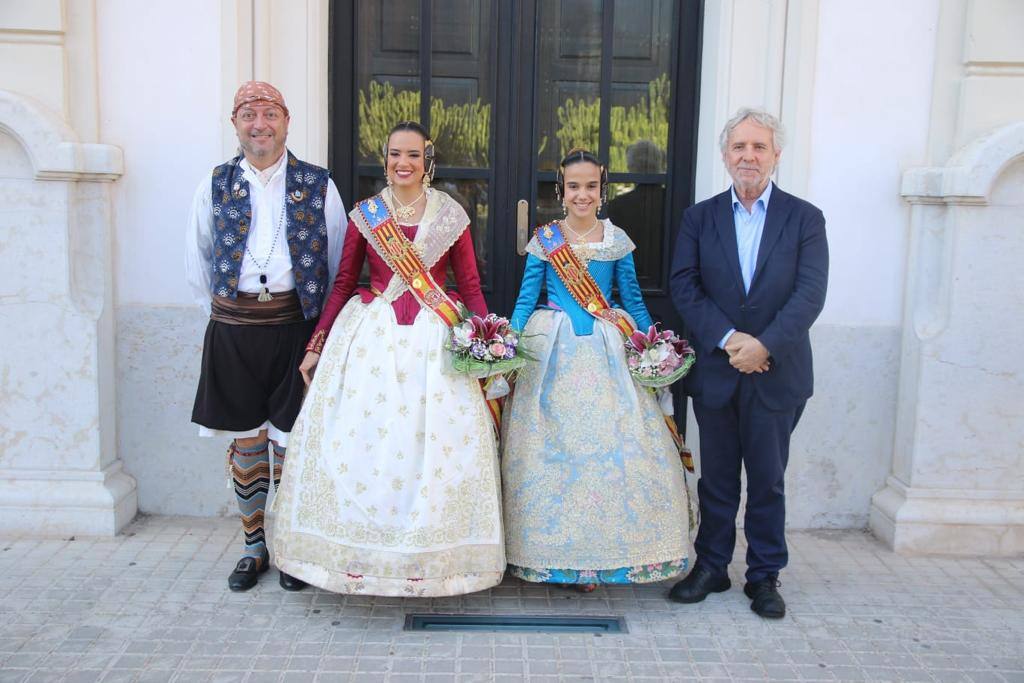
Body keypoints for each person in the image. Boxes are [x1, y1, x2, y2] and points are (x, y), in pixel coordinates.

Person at [269, 121, 505, 596]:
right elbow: (341, 284)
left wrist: (488, 340)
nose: (404, 163)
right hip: (370, 339)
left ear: (427, 160)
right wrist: (317, 343)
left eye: (413, 155)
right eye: (396, 154)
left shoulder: (450, 215)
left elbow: (471, 286)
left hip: (433, 342)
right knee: (360, 444)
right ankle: (334, 557)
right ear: (385, 158)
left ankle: (428, 558)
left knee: (430, 449)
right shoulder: (366, 214)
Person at [502, 149, 692, 591]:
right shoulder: (546, 240)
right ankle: (551, 556)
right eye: (574, 186)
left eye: (591, 186)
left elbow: (632, 298)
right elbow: (527, 298)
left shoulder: (616, 239)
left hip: (607, 353)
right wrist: (507, 345)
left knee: (610, 455)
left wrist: (654, 344)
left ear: (602, 190)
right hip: (551, 353)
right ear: (560, 190)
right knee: (553, 455)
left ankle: (606, 557)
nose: (582, 194)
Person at [185, 81, 346, 592]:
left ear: (286, 121)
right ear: (235, 123)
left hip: (294, 330)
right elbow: (198, 260)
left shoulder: (318, 183)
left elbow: (339, 261)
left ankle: (292, 550)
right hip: (234, 331)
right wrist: (223, 318)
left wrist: (322, 335)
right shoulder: (214, 184)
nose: (260, 123)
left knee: (292, 444)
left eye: (270, 113)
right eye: (249, 114)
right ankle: (255, 548)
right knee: (248, 443)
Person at [668, 108, 828, 618]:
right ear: (725, 155)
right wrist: (732, 339)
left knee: (767, 478)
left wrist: (765, 345)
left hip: (777, 372)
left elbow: (809, 294)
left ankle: (763, 576)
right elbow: (684, 286)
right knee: (716, 477)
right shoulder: (700, 217)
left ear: (776, 155)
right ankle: (712, 566)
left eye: (759, 147)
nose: (749, 156)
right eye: (739, 147)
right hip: (717, 370)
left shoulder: (805, 218)